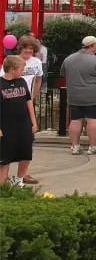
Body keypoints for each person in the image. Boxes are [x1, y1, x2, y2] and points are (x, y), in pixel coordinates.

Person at [60, 36, 96, 155]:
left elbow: (63, 74)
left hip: (74, 96)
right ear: (92, 46)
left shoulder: (68, 59)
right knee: (93, 120)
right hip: (95, 97)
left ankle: (75, 146)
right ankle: (92, 146)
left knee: (76, 120)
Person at [0, 56, 38, 186]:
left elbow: (28, 101)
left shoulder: (21, 81)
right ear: (12, 69)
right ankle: (3, 184)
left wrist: (33, 122)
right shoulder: (0, 84)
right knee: (5, 158)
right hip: (6, 125)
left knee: (26, 153)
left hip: (24, 123)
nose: (23, 72)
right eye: (21, 69)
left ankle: (19, 179)